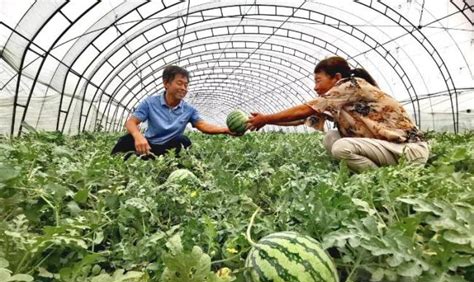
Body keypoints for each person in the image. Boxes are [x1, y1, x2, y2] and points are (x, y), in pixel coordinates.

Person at [247, 56, 429, 172]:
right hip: (389, 149)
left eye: (318, 80)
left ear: (336, 78)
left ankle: (382, 180)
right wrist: (265, 121)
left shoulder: (350, 85)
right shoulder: (337, 101)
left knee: (341, 147)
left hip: (408, 151)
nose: (315, 87)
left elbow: (306, 109)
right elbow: (301, 119)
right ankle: (370, 171)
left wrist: (266, 118)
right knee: (331, 137)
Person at [111, 65, 235, 159]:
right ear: (166, 83)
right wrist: (138, 137)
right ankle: (112, 167)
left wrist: (225, 130)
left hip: (169, 149)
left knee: (183, 141)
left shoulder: (189, 110)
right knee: (126, 140)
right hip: (148, 146)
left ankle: (173, 168)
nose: (183, 88)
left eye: (186, 85)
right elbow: (131, 122)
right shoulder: (150, 103)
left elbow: (203, 126)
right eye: (179, 83)